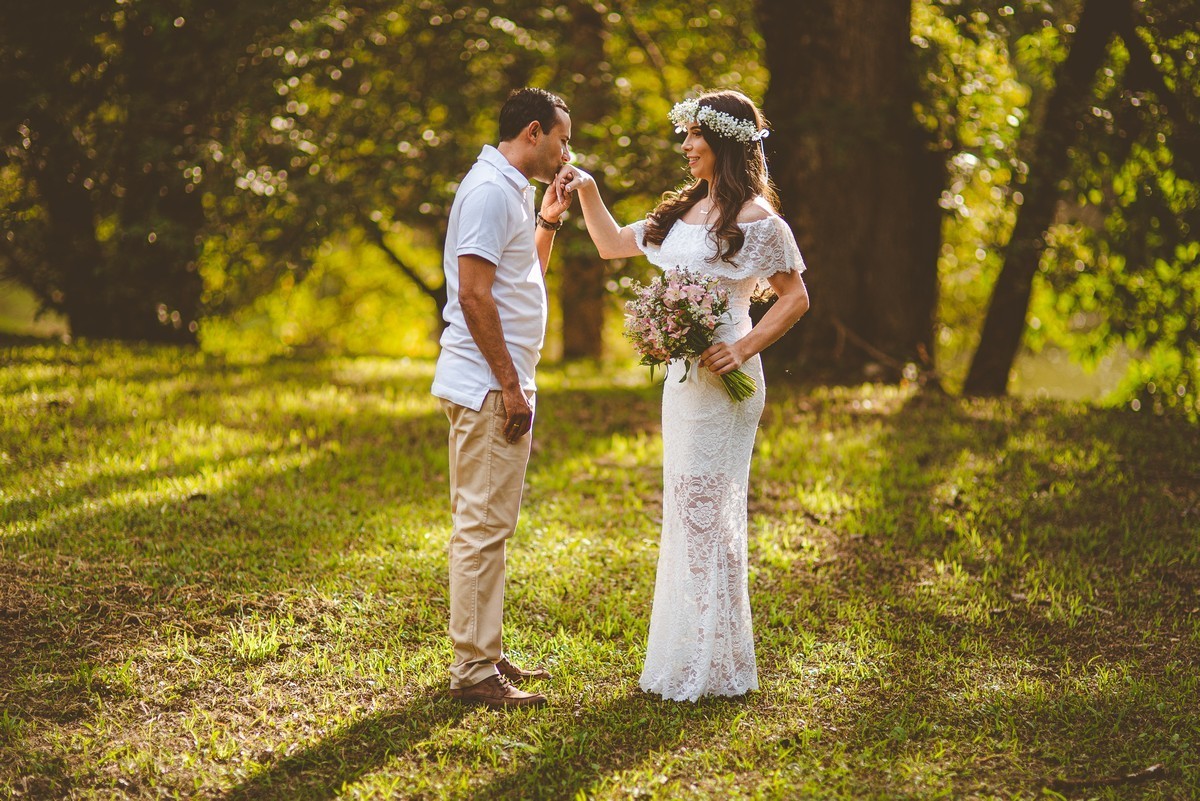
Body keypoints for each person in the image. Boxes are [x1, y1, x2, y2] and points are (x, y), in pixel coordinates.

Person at [559, 90, 810, 701]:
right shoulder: (683, 212)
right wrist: (587, 192)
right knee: (687, 511)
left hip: (726, 379)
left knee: (708, 513)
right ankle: (697, 653)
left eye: (695, 135)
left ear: (723, 142)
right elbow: (613, 245)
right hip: (682, 382)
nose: (686, 146)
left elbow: (795, 297)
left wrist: (744, 348)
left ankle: (710, 664)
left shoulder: (758, 221)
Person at [431, 87, 574, 708]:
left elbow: (521, 281)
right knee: (482, 528)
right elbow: (473, 294)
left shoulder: (512, 187)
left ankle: (483, 649)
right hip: (490, 386)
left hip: (501, 383)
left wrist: (548, 220)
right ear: (535, 131)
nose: (569, 151)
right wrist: (511, 386)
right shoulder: (490, 191)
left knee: (492, 524)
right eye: (564, 139)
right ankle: (472, 672)